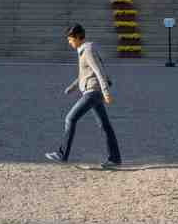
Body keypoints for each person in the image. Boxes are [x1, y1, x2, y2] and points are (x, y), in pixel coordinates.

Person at [45, 23, 121, 169]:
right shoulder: (83, 50)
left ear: (78, 37)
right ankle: (115, 159)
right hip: (93, 91)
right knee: (105, 125)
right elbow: (84, 74)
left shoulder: (88, 50)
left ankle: (62, 154)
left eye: (70, 39)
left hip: (93, 92)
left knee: (70, 118)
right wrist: (72, 87)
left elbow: (99, 71)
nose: (69, 42)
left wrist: (106, 93)